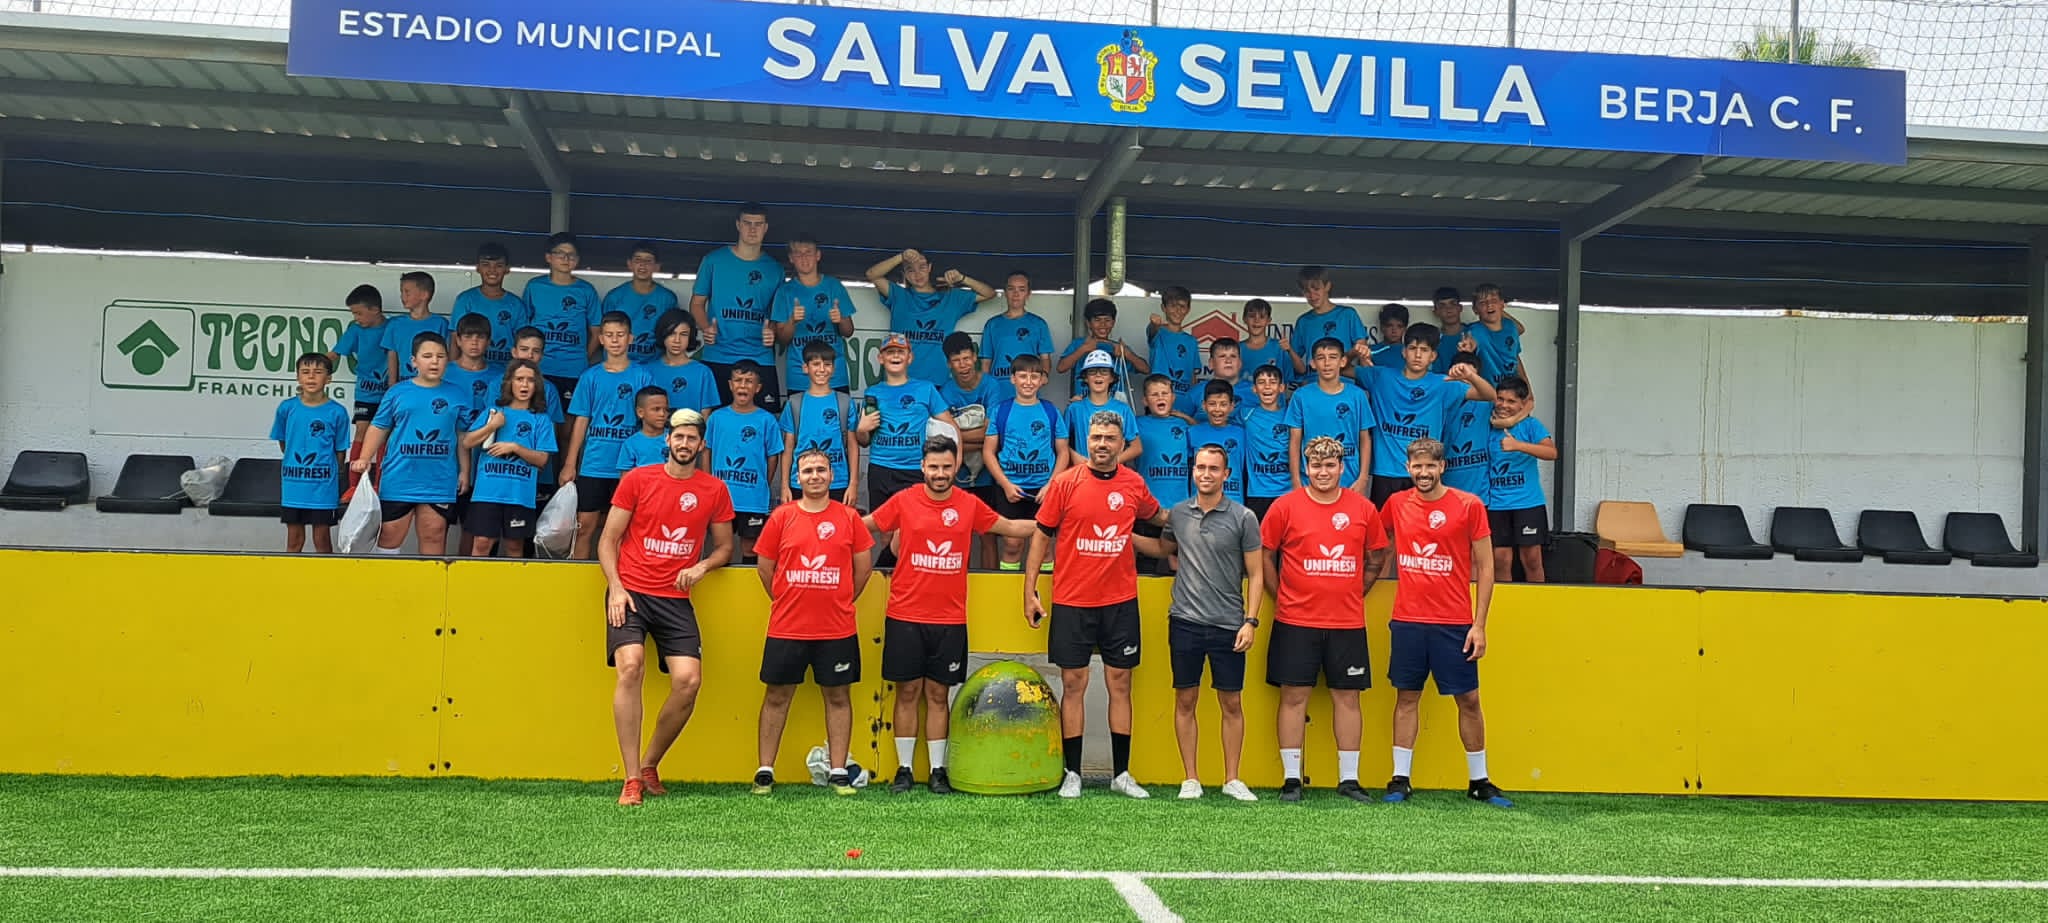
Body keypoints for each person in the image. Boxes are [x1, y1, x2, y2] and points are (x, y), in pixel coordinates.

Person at [866, 435, 1036, 794]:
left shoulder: (969, 504)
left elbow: (1010, 527)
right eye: (934, 467)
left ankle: (938, 770)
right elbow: (866, 525)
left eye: (946, 467)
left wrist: (1054, 522)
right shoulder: (904, 500)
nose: (940, 473)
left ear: (956, 466)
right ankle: (904, 770)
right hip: (905, 615)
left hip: (950, 619)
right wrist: (826, 523)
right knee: (907, 693)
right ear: (922, 467)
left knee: (938, 694)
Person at [1023, 410, 1170, 799]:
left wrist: (1195, 517)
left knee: (1120, 683)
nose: (1102, 444)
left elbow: (1159, 517)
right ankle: (1072, 773)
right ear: (1087, 441)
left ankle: (1121, 774)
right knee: (1074, 683)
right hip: (1072, 600)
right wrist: (1029, 590)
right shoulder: (1065, 484)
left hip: (1120, 602)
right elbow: (1041, 537)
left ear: (1122, 445)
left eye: (1109, 438)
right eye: (1096, 437)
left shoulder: (1134, 484)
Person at [598, 407, 735, 806]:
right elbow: (607, 540)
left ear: (701, 444)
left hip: (675, 598)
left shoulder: (714, 489)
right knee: (630, 666)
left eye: (692, 438)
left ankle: (649, 765)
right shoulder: (638, 480)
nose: (685, 443)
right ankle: (630, 779)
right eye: (679, 436)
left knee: (689, 681)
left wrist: (702, 566)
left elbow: (725, 547)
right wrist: (616, 588)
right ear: (667, 440)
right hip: (631, 592)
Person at [1380, 437, 1509, 808]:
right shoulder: (1396, 503)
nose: (1423, 473)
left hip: (1454, 622)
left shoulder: (1468, 505)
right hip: (1407, 620)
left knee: (1469, 699)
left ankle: (1479, 781)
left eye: (1430, 466)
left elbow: (1486, 567)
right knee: (1407, 697)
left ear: (1442, 467)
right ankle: (1400, 779)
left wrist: (1479, 625)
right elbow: (1377, 543)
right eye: (1417, 466)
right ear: (1408, 468)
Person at [1260, 435, 1389, 803]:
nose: (1323, 471)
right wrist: (1280, 596)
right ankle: (1291, 780)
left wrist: (1357, 590)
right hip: (1295, 621)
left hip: (1347, 623)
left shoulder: (1363, 509)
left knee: (1347, 697)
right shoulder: (1285, 506)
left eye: (1330, 465)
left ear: (1342, 468)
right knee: (1293, 696)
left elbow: (1377, 556)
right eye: (1316, 465)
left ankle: (1349, 780)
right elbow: (1264, 555)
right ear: (1306, 467)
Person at [752, 448, 875, 796]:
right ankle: (764, 772)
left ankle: (838, 772)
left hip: (837, 628)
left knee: (838, 696)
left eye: (821, 469)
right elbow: (765, 568)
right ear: (797, 477)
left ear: (832, 475)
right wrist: (785, 599)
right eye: (808, 471)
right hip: (787, 627)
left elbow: (863, 569)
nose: (815, 476)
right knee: (776, 695)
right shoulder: (782, 516)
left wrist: (841, 600)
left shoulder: (849, 517)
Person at [1155, 444, 1263, 801]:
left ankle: (1232, 779)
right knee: (1185, 700)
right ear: (1193, 471)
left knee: (1231, 704)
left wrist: (1250, 621)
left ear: (1226, 474)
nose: (1206, 474)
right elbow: (1163, 550)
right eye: (1200, 467)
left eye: (1213, 468)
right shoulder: (1178, 514)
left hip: (1229, 625)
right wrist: (1119, 534)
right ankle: (1191, 779)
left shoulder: (1244, 517)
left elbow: (1256, 574)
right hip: (1184, 621)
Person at [1353, 324, 1497, 507]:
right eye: (1413, 348)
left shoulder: (1443, 383)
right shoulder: (1381, 376)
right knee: (1385, 525)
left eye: (1424, 350)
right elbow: (1341, 368)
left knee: (1424, 524)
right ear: (1404, 352)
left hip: (1424, 472)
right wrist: (1355, 352)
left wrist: (1470, 376)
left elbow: (1489, 395)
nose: (1418, 355)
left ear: (1433, 356)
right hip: (1386, 472)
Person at [353, 332, 467, 556]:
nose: (434, 362)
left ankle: (430, 580)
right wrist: (364, 458)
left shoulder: (457, 394)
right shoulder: (397, 392)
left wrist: (465, 470)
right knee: (389, 535)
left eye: (440, 356)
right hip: (399, 477)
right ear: (414, 361)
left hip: (439, 479)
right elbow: (379, 427)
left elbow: (463, 435)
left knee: (434, 534)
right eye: (427, 356)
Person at [562, 312, 657, 560]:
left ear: (630, 338)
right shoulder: (590, 376)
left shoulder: (643, 376)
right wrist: (570, 464)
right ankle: (578, 575)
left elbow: (650, 422)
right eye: (610, 335)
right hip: (594, 464)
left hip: (630, 467)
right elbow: (581, 420)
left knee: (626, 529)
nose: (615, 340)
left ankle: (623, 578)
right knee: (584, 527)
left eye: (620, 335)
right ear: (601, 339)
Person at [691, 203, 786, 411]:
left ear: (766, 228)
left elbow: (777, 315)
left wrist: (772, 331)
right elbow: (697, 303)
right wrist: (706, 328)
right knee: (711, 420)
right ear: (738, 225)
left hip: (760, 357)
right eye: (747, 223)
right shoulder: (713, 261)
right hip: (719, 355)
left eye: (758, 224)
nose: (752, 229)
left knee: (766, 420)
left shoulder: (775, 269)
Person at [459, 359, 556, 559]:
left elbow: (542, 459)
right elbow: (467, 442)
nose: (524, 384)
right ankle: (475, 580)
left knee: (514, 546)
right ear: (509, 382)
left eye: (530, 380)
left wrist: (515, 448)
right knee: (481, 543)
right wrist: (492, 426)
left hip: (519, 494)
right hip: (487, 493)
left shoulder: (541, 419)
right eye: (519, 379)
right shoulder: (493, 412)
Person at [982, 354, 1069, 571]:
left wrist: (1051, 485)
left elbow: (1063, 452)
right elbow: (988, 452)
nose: (1028, 382)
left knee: (1044, 545)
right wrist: (1005, 485)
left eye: (1034, 376)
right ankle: (1008, 589)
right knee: (1012, 544)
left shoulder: (1051, 411)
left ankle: (1044, 590)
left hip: (1044, 490)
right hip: (1010, 489)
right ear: (1012, 379)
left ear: (1042, 380)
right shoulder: (1001, 411)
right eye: (1022, 376)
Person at [866, 247, 996, 385]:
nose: (917, 274)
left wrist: (962, 278)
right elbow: (872, 274)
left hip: (936, 383)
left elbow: (989, 294)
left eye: (922, 267)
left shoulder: (951, 298)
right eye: (911, 270)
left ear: (929, 268)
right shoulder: (899, 296)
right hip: (900, 381)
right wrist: (901, 257)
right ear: (905, 274)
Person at [855, 334, 955, 513]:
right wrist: (862, 429)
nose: (895, 355)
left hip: (915, 468)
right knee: (883, 524)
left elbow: (951, 427)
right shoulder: (873, 393)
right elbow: (864, 441)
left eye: (900, 352)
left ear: (910, 357)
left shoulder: (926, 388)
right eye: (890, 352)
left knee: (915, 523)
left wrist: (955, 462)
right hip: (881, 468)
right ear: (880, 358)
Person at [938, 331, 1014, 565]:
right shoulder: (946, 391)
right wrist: (979, 440)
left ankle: (990, 581)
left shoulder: (991, 385)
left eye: (967, 358)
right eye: (957, 360)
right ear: (948, 364)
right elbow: (945, 439)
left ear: (975, 357)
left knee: (988, 534)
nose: (963, 365)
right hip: (957, 474)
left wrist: (959, 436)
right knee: (958, 534)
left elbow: (991, 433)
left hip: (988, 475)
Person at [706, 361, 786, 563]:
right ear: (730, 385)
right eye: (738, 380)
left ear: (758, 388)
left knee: (750, 548)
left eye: (749, 381)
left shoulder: (767, 420)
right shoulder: (717, 418)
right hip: (722, 497)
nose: (743, 385)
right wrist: (708, 484)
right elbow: (707, 451)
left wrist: (763, 483)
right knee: (721, 547)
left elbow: (773, 455)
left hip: (753, 498)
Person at [272, 353, 351, 554]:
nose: (311, 377)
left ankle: (325, 575)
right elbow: (284, 443)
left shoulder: (337, 412)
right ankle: (291, 574)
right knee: (294, 540)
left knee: (322, 540)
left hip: (323, 487)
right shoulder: (286, 408)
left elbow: (340, 450)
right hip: (293, 485)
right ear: (298, 377)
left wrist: (332, 474)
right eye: (305, 372)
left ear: (329, 378)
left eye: (318, 372)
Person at [769, 234, 856, 397]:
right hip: (800, 377)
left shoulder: (834, 286)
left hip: (834, 376)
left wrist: (841, 319)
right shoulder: (784, 291)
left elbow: (848, 331)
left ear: (818, 255)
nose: (804, 258)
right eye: (798, 253)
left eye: (808, 252)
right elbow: (782, 339)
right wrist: (792, 321)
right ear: (791, 258)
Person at [1487, 377, 1556, 583]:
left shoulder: (1531, 425)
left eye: (1511, 401)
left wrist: (1518, 445)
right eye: (1500, 399)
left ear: (1522, 404)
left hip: (1528, 502)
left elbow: (1551, 453)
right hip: (1496, 503)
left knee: (1532, 558)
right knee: (1500, 559)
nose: (1504, 405)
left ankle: (1537, 599)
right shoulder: (1487, 424)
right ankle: (1504, 600)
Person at [1286, 338, 1375, 496]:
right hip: (1311, 480)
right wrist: (1296, 480)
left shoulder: (1357, 395)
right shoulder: (1301, 396)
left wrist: (1362, 478)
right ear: (1313, 363)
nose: (1327, 363)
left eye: (1333, 357)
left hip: (1350, 480)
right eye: (1321, 358)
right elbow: (1294, 441)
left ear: (1343, 361)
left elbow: (1365, 439)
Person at [523, 233, 604, 402]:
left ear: (577, 260)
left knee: (569, 415)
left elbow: (597, 332)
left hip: (573, 369)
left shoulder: (586, 290)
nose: (566, 259)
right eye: (560, 253)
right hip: (540, 367)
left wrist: (583, 357)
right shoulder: (535, 286)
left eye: (571, 255)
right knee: (538, 411)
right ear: (549, 257)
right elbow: (524, 329)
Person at [781, 340, 862, 507]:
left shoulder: (844, 402)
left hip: (838, 481)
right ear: (805, 368)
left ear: (834, 368)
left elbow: (853, 446)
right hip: (801, 481)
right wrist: (784, 485)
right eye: (816, 364)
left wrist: (853, 484)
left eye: (827, 364)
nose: (822, 369)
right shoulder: (795, 403)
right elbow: (788, 448)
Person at [328, 284, 389, 500]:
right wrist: (317, 366)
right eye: (353, 313)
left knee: (384, 436)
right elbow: (334, 354)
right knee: (361, 431)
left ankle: (380, 485)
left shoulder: (393, 327)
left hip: (388, 394)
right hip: (365, 393)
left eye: (359, 313)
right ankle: (353, 485)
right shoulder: (355, 330)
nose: (356, 318)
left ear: (375, 310)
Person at [1133, 374, 1193, 575]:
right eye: (1154, 394)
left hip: (1181, 508)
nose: (1160, 398)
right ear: (1145, 400)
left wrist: (1186, 418)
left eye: (1165, 393)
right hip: (1149, 507)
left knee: (1182, 567)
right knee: (1146, 565)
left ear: (1173, 397)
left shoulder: (1184, 426)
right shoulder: (1137, 424)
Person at [507, 326, 570, 505]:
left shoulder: (549, 389)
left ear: (542, 355)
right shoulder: (497, 384)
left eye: (535, 351)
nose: (529, 355)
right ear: (514, 351)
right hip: (501, 470)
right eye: (524, 349)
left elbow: (553, 434)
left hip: (539, 471)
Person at [450, 241, 530, 366]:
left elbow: (524, 341)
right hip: (472, 369)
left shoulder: (516, 304)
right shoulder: (465, 300)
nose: (492, 270)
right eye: (486, 265)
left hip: (505, 369)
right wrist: (452, 370)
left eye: (499, 265)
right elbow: (455, 338)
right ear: (478, 268)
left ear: (507, 269)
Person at [603, 241, 680, 364]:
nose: (643, 264)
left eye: (648, 260)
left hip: (654, 365)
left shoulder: (667, 299)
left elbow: (672, 335)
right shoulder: (614, 297)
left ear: (657, 267)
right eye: (638, 260)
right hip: (620, 365)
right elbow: (604, 334)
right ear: (629, 264)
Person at [1288, 267, 1370, 383]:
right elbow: (1294, 359)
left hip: (1343, 380)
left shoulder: (1347, 314)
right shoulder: (1303, 321)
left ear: (1327, 286)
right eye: (1307, 291)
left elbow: (1361, 347)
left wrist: (1343, 360)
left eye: (1316, 289)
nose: (1312, 295)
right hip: (1313, 381)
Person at [1063, 349, 1141, 469]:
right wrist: (1074, 456)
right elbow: (1061, 443)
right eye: (1092, 371)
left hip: (1114, 473)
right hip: (1084, 471)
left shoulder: (1123, 409)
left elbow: (1136, 447)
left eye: (1104, 371)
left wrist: (1112, 462)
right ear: (1085, 378)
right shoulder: (1074, 409)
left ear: (1112, 378)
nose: (1098, 375)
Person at [1056, 298, 1148, 395]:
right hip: (1084, 401)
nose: (1102, 324)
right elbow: (1061, 368)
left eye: (1107, 320)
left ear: (1113, 322)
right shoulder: (1079, 344)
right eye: (1097, 320)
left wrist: (1127, 354)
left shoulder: (1118, 348)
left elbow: (1146, 369)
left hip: (1113, 403)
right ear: (1088, 323)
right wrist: (1083, 349)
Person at [1439, 352, 1495, 503]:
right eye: (1462, 377)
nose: (1466, 383)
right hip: (1447, 488)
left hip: (1480, 494)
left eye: (1470, 378)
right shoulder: (1442, 402)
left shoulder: (1487, 404)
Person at [643, 309, 720, 416]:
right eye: (671, 334)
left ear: (690, 337)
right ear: (662, 335)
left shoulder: (702, 372)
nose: (677, 340)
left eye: (683, 334)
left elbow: (705, 416)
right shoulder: (647, 371)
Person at [979, 270, 1053, 382]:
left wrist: (1044, 375)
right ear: (1005, 292)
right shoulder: (992, 324)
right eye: (1011, 289)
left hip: (1028, 386)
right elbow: (986, 362)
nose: (1016, 294)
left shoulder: (1039, 324)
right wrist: (987, 386)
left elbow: (1045, 358)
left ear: (1028, 294)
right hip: (998, 388)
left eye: (1021, 289)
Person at [1241, 365, 1292, 520]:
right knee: (1259, 535)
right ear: (1254, 389)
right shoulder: (1245, 414)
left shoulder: (1291, 416)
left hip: (1287, 491)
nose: (1267, 386)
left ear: (1282, 388)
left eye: (1273, 382)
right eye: (1261, 382)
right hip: (1257, 492)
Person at [382, 271, 449, 386]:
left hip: (433, 386)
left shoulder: (441, 324)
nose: (402, 296)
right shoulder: (395, 324)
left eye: (407, 292)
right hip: (405, 386)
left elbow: (447, 358)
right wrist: (392, 388)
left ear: (424, 295)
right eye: (401, 292)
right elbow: (392, 357)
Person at [1187, 380, 1247, 502]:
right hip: (1201, 503)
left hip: (1233, 502)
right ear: (1204, 405)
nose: (1217, 409)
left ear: (1232, 406)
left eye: (1223, 404)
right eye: (1212, 404)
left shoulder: (1242, 434)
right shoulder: (1192, 433)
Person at [1173, 336, 1255, 421]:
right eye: (1222, 356)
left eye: (1233, 356)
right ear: (1211, 363)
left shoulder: (1254, 391)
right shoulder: (1197, 391)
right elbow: (1179, 420)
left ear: (1240, 363)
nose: (1228, 361)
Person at [1146, 286, 1201, 403]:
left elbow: (1193, 377)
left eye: (1182, 306)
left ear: (1188, 309)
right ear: (1163, 308)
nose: (1177, 311)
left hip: (1184, 402)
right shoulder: (1158, 333)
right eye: (1173, 306)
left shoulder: (1192, 341)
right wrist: (1154, 324)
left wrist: (1194, 402)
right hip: (1159, 401)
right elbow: (1151, 330)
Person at [1467, 282, 1525, 385]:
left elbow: (1516, 358)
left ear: (1502, 304)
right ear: (1475, 309)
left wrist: (1528, 390)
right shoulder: (1474, 331)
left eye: (1494, 301)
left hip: (1513, 389)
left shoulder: (1511, 326)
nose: (1489, 305)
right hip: (1487, 391)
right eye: (1483, 303)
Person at [616, 386, 673, 473]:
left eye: (666, 409)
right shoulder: (631, 444)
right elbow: (625, 478)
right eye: (656, 409)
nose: (662, 414)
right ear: (640, 412)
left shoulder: (675, 438)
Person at [1236, 299, 1289, 391]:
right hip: (1242, 400)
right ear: (1244, 319)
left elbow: (1288, 379)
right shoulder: (1236, 349)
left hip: (1273, 400)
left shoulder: (1279, 347)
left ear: (1269, 320)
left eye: (1262, 316)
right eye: (1252, 316)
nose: (1256, 321)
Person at [1370, 304, 1409, 369]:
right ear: (1382, 327)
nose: (1394, 331)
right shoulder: (1371, 351)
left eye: (1399, 326)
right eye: (1389, 325)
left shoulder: (1411, 352)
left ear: (1405, 328)